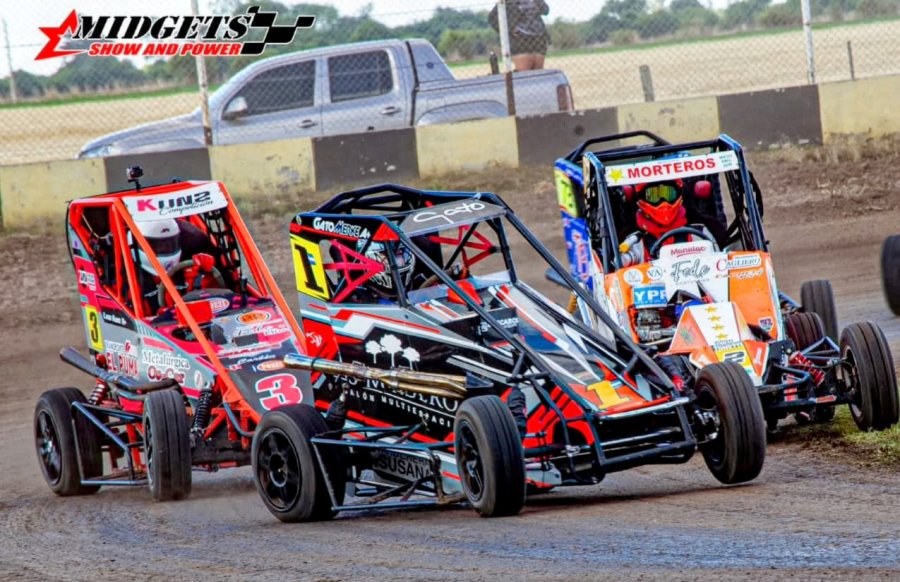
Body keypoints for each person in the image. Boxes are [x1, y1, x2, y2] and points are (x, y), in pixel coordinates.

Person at [130, 218, 219, 314]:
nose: (164, 249)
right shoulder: (128, 280)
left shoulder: (191, 270)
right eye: (158, 246)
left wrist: (207, 272)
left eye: (169, 244)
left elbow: (217, 297)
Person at [619, 179, 716, 266]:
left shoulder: (700, 233)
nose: (663, 202)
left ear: (678, 195)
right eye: (654, 196)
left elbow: (720, 267)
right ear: (642, 199)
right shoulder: (634, 242)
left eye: (668, 194)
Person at [489, 0, 550, 71]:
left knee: (538, 71)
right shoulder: (509, 1)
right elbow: (492, 18)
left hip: (538, 38)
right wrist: (510, 29)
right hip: (521, 39)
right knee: (524, 72)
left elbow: (546, 10)